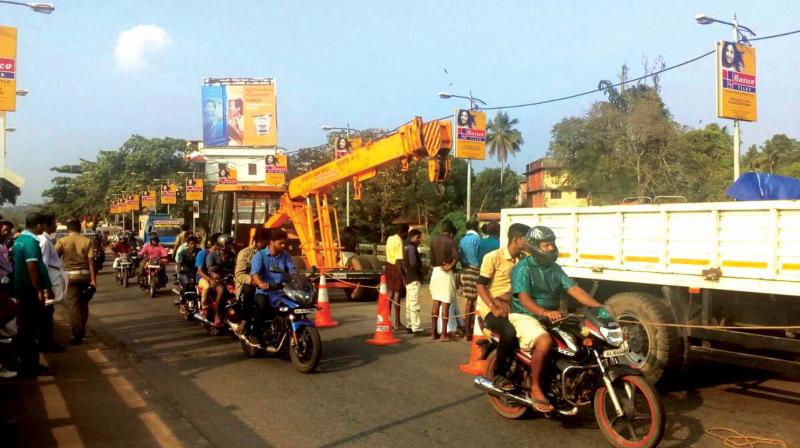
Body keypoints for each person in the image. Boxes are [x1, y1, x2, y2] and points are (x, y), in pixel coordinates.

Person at [510, 226, 602, 413]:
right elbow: (524, 299)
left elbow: (574, 290)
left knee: (583, 342)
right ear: (535, 246)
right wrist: (543, 312)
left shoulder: (554, 268)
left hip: (553, 315)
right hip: (525, 315)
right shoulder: (523, 267)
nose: (552, 248)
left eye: (552, 243)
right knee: (544, 341)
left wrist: (599, 307)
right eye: (546, 245)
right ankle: (536, 388)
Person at [476, 223, 529, 392]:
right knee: (509, 332)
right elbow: (480, 286)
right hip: (491, 307)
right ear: (516, 239)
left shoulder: (524, 258)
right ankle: (499, 375)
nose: (530, 243)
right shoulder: (493, 257)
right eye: (527, 239)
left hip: (514, 306)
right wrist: (493, 307)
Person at [14, 213, 54, 376]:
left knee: (26, 328)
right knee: (31, 328)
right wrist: (39, 289)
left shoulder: (19, 241)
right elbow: (32, 268)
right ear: (38, 225)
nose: (44, 228)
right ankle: (31, 365)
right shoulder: (31, 242)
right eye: (43, 225)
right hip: (29, 291)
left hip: (22, 289)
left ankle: (28, 362)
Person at [250, 229, 297, 345]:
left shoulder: (285, 255)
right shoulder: (260, 256)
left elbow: (292, 271)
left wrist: (299, 280)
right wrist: (261, 283)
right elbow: (254, 273)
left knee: (295, 306)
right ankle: (255, 334)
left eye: (284, 243)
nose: (283, 245)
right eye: (280, 243)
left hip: (281, 291)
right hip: (264, 291)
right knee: (262, 306)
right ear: (271, 242)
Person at [55, 219, 97, 345]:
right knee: (84, 303)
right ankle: (82, 328)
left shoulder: (62, 241)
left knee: (73, 305)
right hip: (85, 276)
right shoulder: (87, 241)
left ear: (68, 229)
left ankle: (76, 331)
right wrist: (93, 280)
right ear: (80, 228)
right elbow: (91, 261)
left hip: (69, 276)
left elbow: (54, 259)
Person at [234, 229, 270, 334]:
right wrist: (253, 281)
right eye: (267, 240)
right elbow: (239, 275)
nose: (269, 243)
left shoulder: (270, 253)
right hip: (248, 284)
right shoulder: (245, 253)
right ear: (259, 240)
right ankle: (245, 320)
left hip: (265, 283)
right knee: (249, 291)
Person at [37, 214, 65, 352]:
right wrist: (46, 287)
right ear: (47, 225)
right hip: (48, 280)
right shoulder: (44, 241)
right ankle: (47, 343)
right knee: (46, 313)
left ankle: (48, 341)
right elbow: (43, 264)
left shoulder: (48, 240)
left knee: (49, 312)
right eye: (54, 223)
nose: (56, 226)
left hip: (51, 278)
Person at [429, 219, 459, 341]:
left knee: (436, 302)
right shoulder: (451, 241)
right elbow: (457, 257)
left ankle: (433, 332)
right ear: (451, 230)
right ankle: (443, 334)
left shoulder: (434, 241)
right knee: (445, 303)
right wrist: (450, 266)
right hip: (446, 272)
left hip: (436, 271)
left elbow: (431, 261)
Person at [459, 218, 482, 341]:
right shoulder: (478, 239)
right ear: (476, 227)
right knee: (476, 301)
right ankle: (471, 331)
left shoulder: (462, 239)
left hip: (465, 269)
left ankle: (467, 332)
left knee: (469, 300)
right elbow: (481, 256)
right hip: (476, 270)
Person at [401, 229, 426, 336]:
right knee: (414, 303)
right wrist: (422, 270)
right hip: (414, 277)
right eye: (418, 237)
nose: (419, 240)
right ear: (412, 237)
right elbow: (413, 263)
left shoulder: (405, 246)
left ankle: (410, 324)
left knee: (409, 303)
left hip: (408, 278)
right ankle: (416, 327)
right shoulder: (412, 247)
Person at [384, 224, 408, 330]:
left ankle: (387, 319)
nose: (406, 235)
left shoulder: (390, 238)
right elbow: (398, 261)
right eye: (406, 232)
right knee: (397, 295)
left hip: (388, 266)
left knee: (390, 294)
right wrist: (403, 278)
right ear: (403, 231)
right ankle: (397, 322)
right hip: (396, 268)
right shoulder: (399, 241)